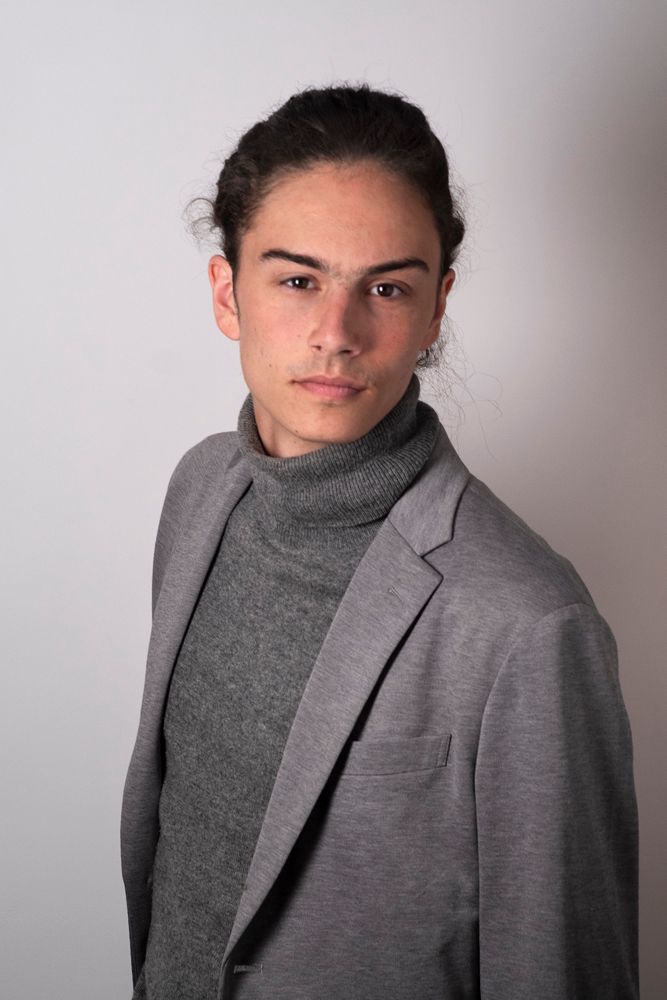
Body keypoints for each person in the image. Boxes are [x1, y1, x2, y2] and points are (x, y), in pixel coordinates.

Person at [121, 84, 639, 999]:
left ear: (435, 309)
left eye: (386, 288)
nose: (336, 334)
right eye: (297, 281)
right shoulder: (199, 492)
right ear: (227, 293)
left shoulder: (526, 624)